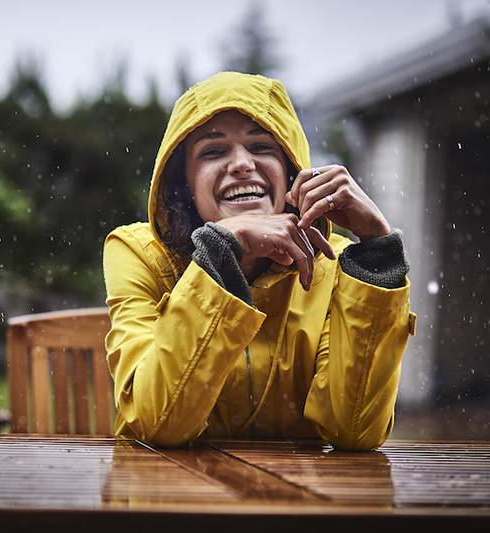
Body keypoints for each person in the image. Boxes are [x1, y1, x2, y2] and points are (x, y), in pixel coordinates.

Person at [102, 71, 415, 450]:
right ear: (183, 184)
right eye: (213, 152)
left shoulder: (335, 263)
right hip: (168, 497)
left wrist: (377, 249)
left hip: (301, 501)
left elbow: (355, 431)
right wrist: (222, 249)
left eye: (262, 146)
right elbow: (158, 424)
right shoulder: (137, 252)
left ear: (292, 172)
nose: (241, 164)